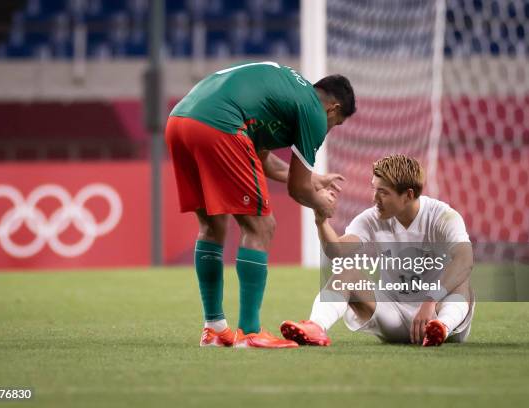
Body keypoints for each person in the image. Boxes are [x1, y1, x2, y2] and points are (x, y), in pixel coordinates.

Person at [165, 61, 356, 348]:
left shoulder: (287, 93)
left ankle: (215, 328)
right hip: (220, 125)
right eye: (336, 124)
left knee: (212, 225)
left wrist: (314, 179)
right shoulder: (315, 113)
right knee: (261, 226)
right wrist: (321, 204)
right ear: (333, 109)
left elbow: (263, 158)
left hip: (180, 121)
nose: (330, 128)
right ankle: (251, 332)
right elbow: (297, 188)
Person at [280, 155, 475, 347]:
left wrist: (430, 301)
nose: (374, 198)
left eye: (383, 192)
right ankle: (316, 327)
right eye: (374, 189)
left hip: (437, 312)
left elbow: (465, 260)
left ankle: (440, 328)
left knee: (461, 279)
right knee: (346, 272)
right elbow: (336, 251)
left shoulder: (443, 216)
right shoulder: (372, 218)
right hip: (393, 316)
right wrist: (321, 221)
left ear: (408, 194)